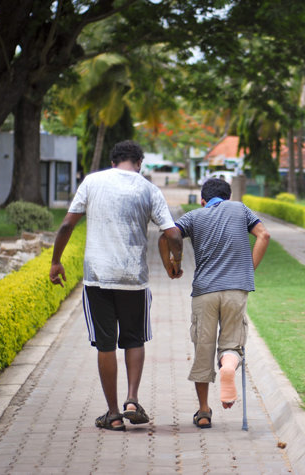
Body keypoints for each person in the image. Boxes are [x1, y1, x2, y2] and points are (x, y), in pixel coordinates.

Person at [49, 140, 183, 431]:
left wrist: (55, 261)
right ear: (139, 163)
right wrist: (176, 260)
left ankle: (112, 415)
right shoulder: (148, 188)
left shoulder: (92, 182)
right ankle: (132, 401)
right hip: (133, 279)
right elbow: (173, 233)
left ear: (113, 162)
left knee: (105, 344)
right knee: (134, 339)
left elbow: (66, 225)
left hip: (97, 277)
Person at [158, 178, 270, 429]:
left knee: (203, 350)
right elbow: (264, 235)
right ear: (228, 197)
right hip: (236, 290)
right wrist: (248, 269)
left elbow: (168, 236)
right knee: (231, 344)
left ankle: (204, 411)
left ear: (203, 200)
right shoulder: (240, 209)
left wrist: (172, 265)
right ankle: (228, 365)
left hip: (205, 291)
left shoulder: (193, 216)